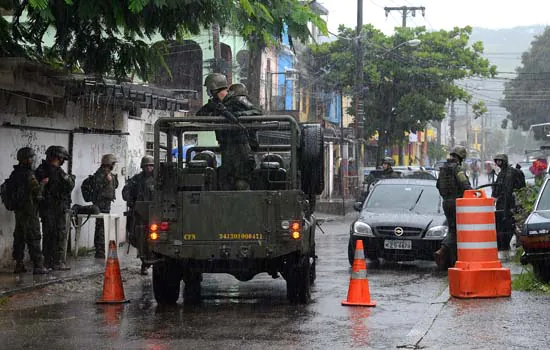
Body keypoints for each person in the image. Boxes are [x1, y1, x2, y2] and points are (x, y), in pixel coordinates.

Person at [196, 73, 255, 190]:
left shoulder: (237, 100)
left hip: (240, 147)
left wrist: (239, 115)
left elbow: (256, 112)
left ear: (213, 88)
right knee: (225, 182)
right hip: (226, 147)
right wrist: (213, 110)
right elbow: (199, 116)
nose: (208, 92)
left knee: (241, 182)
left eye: (209, 89)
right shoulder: (215, 104)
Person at [9, 147, 50, 274]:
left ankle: (18, 264)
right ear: (27, 159)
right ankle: (38, 266)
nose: (32, 159)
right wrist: (43, 183)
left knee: (19, 237)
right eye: (31, 157)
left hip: (19, 211)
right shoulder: (29, 174)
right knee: (34, 236)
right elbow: (37, 192)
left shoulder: (15, 173)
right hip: (29, 210)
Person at [35, 146, 75, 270]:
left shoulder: (55, 171)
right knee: (52, 234)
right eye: (62, 158)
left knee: (58, 234)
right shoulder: (43, 171)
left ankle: (54, 261)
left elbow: (69, 185)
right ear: (57, 157)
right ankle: (51, 261)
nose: (62, 160)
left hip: (58, 208)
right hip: (50, 208)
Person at [434, 146, 472, 269]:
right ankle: (443, 251)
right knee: (456, 230)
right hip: (457, 203)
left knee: (452, 228)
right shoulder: (457, 168)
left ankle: (449, 257)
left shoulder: (443, 169)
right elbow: (465, 184)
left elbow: (438, 185)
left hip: (446, 203)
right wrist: (472, 193)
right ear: (460, 157)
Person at [123, 155, 155, 275]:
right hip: (140, 214)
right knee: (138, 238)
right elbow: (126, 191)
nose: (149, 168)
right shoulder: (137, 179)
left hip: (154, 214)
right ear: (142, 167)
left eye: (151, 165)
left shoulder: (158, 179)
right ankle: (144, 261)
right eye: (146, 166)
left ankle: (149, 260)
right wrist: (131, 201)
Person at [492, 153, 526, 253]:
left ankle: (515, 244)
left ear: (504, 161)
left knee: (512, 223)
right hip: (502, 203)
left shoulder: (513, 172)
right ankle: (503, 246)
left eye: (500, 161)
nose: (498, 163)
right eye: (497, 161)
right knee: (502, 225)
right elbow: (496, 189)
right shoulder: (501, 174)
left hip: (511, 202)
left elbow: (521, 188)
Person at [91, 154, 119, 259]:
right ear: (109, 163)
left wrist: (111, 178)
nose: (114, 165)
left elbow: (115, 185)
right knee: (100, 226)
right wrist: (105, 180)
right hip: (100, 203)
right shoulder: (100, 174)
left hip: (107, 203)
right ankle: (99, 250)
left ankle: (101, 248)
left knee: (103, 225)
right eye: (113, 163)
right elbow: (97, 187)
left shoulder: (109, 174)